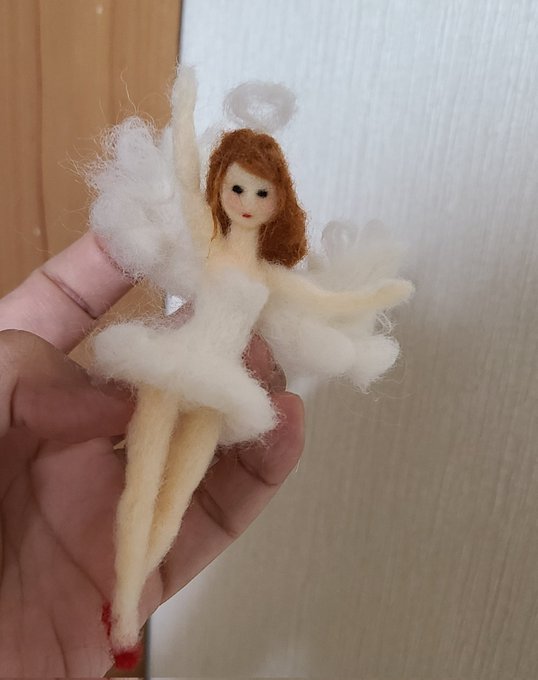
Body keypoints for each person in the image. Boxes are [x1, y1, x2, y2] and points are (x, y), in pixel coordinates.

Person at [0, 232, 305, 677]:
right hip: (171, 373)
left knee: (171, 501)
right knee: (143, 493)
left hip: (209, 390)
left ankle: (124, 617)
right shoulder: (208, 246)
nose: (247, 204)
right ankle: (123, 616)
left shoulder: (259, 277)